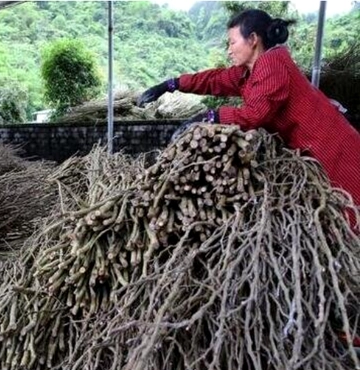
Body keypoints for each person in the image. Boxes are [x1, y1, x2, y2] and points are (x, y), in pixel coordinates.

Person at [137, 8, 360, 222]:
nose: (229, 49)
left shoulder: (273, 64)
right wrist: (170, 84)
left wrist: (209, 117)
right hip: (314, 149)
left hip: (336, 150)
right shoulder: (249, 70)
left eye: (233, 42)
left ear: (253, 39)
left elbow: (255, 114)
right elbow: (215, 79)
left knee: (350, 213)